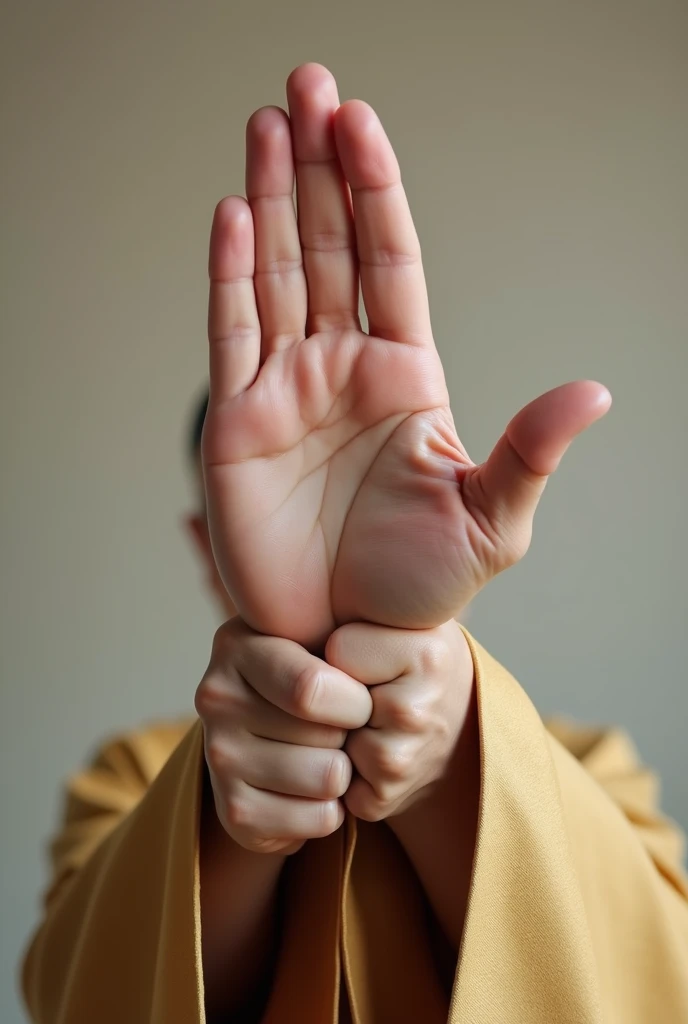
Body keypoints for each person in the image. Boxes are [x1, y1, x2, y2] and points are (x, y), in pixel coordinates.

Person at [21, 63, 688, 1024]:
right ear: (206, 545)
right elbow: (74, 993)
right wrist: (223, 827)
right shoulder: (134, 775)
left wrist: (460, 750)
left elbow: (658, 981)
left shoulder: (590, 765)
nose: (322, 535)